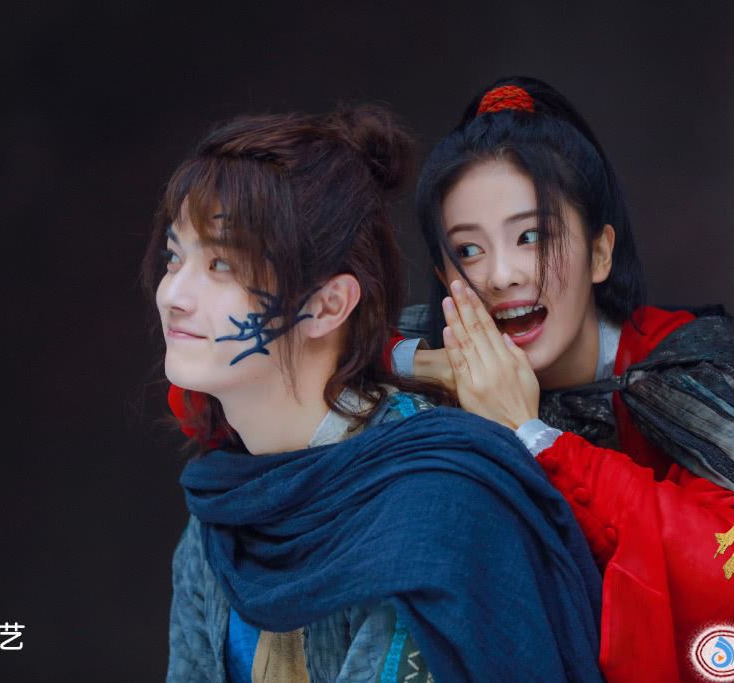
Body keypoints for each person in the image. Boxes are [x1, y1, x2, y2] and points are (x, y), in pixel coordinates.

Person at [401, 76, 734, 682]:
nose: (501, 275)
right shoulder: (432, 361)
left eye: (531, 236)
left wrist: (529, 433)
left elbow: (726, 569)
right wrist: (412, 364)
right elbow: (335, 348)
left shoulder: (704, 371)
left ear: (600, 253)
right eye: (469, 251)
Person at [145, 105, 604, 682]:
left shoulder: (429, 513)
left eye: (220, 264)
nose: (173, 295)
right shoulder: (222, 514)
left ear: (328, 305)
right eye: (175, 257)